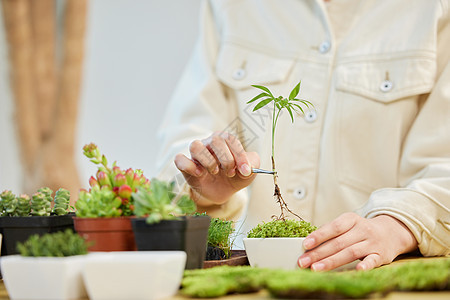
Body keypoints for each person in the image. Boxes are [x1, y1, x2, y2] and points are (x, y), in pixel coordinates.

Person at [156, 0, 450, 271]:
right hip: (250, 280)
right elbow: (183, 146)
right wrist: (204, 181)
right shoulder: (233, 6)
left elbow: (444, 167)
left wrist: (399, 224)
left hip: (378, 280)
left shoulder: (433, 8)